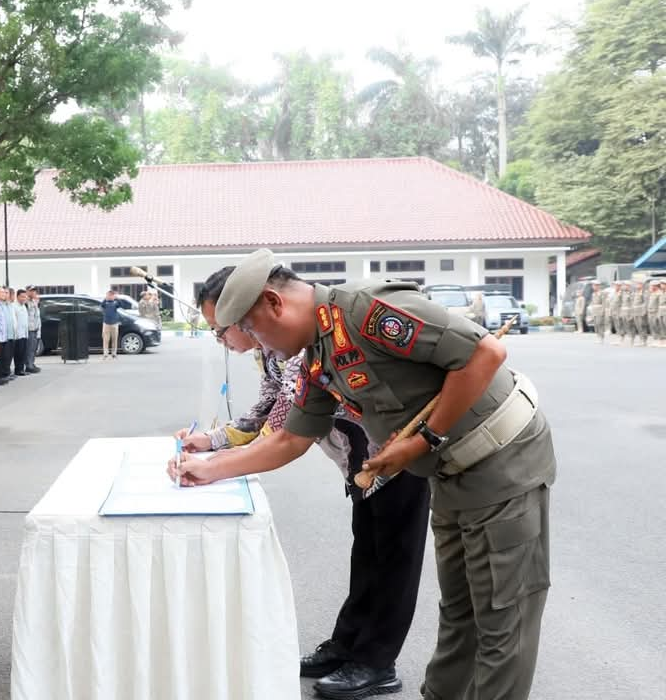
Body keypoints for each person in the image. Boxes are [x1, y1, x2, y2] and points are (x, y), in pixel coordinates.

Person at [171, 249, 555, 700]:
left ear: (275, 303)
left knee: (501, 617)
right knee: (460, 609)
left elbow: (485, 353)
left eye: (252, 329)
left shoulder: (369, 309)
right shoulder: (316, 352)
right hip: (447, 471)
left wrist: (423, 438)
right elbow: (288, 440)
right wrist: (208, 469)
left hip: (500, 461)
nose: (260, 345)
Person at [178, 267, 429, 699]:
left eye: (222, 330)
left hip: (394, 454)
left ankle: (376, 661)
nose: (222, 341)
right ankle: (348, 644)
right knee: (367, 552)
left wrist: (217, 464)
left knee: (393, 560)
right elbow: (267, 407)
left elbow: (285, 430)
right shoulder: (273, 350)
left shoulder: (295, 344)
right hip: (360, 460)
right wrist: (214, 442)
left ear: (246, 315)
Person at [99, 289, 129, 359]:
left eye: (111, 295)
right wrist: (105, 298)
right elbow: (101, 305)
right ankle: (105, 353)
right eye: (108, 295)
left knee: (114, 339)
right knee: (106, 339)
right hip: (106, 323)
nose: (110, 296)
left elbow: (121, 305)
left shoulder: (115, 303)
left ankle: (114, 353)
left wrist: (117, 298)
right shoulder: (105, 303)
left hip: (114, 323)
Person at [24, 286, 42, 373]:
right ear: (27, 291)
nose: (34, 292)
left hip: (36, 328)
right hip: (30, 329)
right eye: (32, 291)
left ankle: (32, 363)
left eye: (35, 291)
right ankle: (29, 365)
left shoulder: (35, 301)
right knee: (30, 348)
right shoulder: (26, 302)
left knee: (34, 348)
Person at [13, 288, 30, 376]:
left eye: (25, 297)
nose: (24, 299)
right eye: (22, 297)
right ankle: (18, 370)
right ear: (18, 296)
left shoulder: (24, 306)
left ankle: (22, 369)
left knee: (23, 352)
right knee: (18, 353)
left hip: (24, 333)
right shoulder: (14, 306)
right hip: (18, 334)